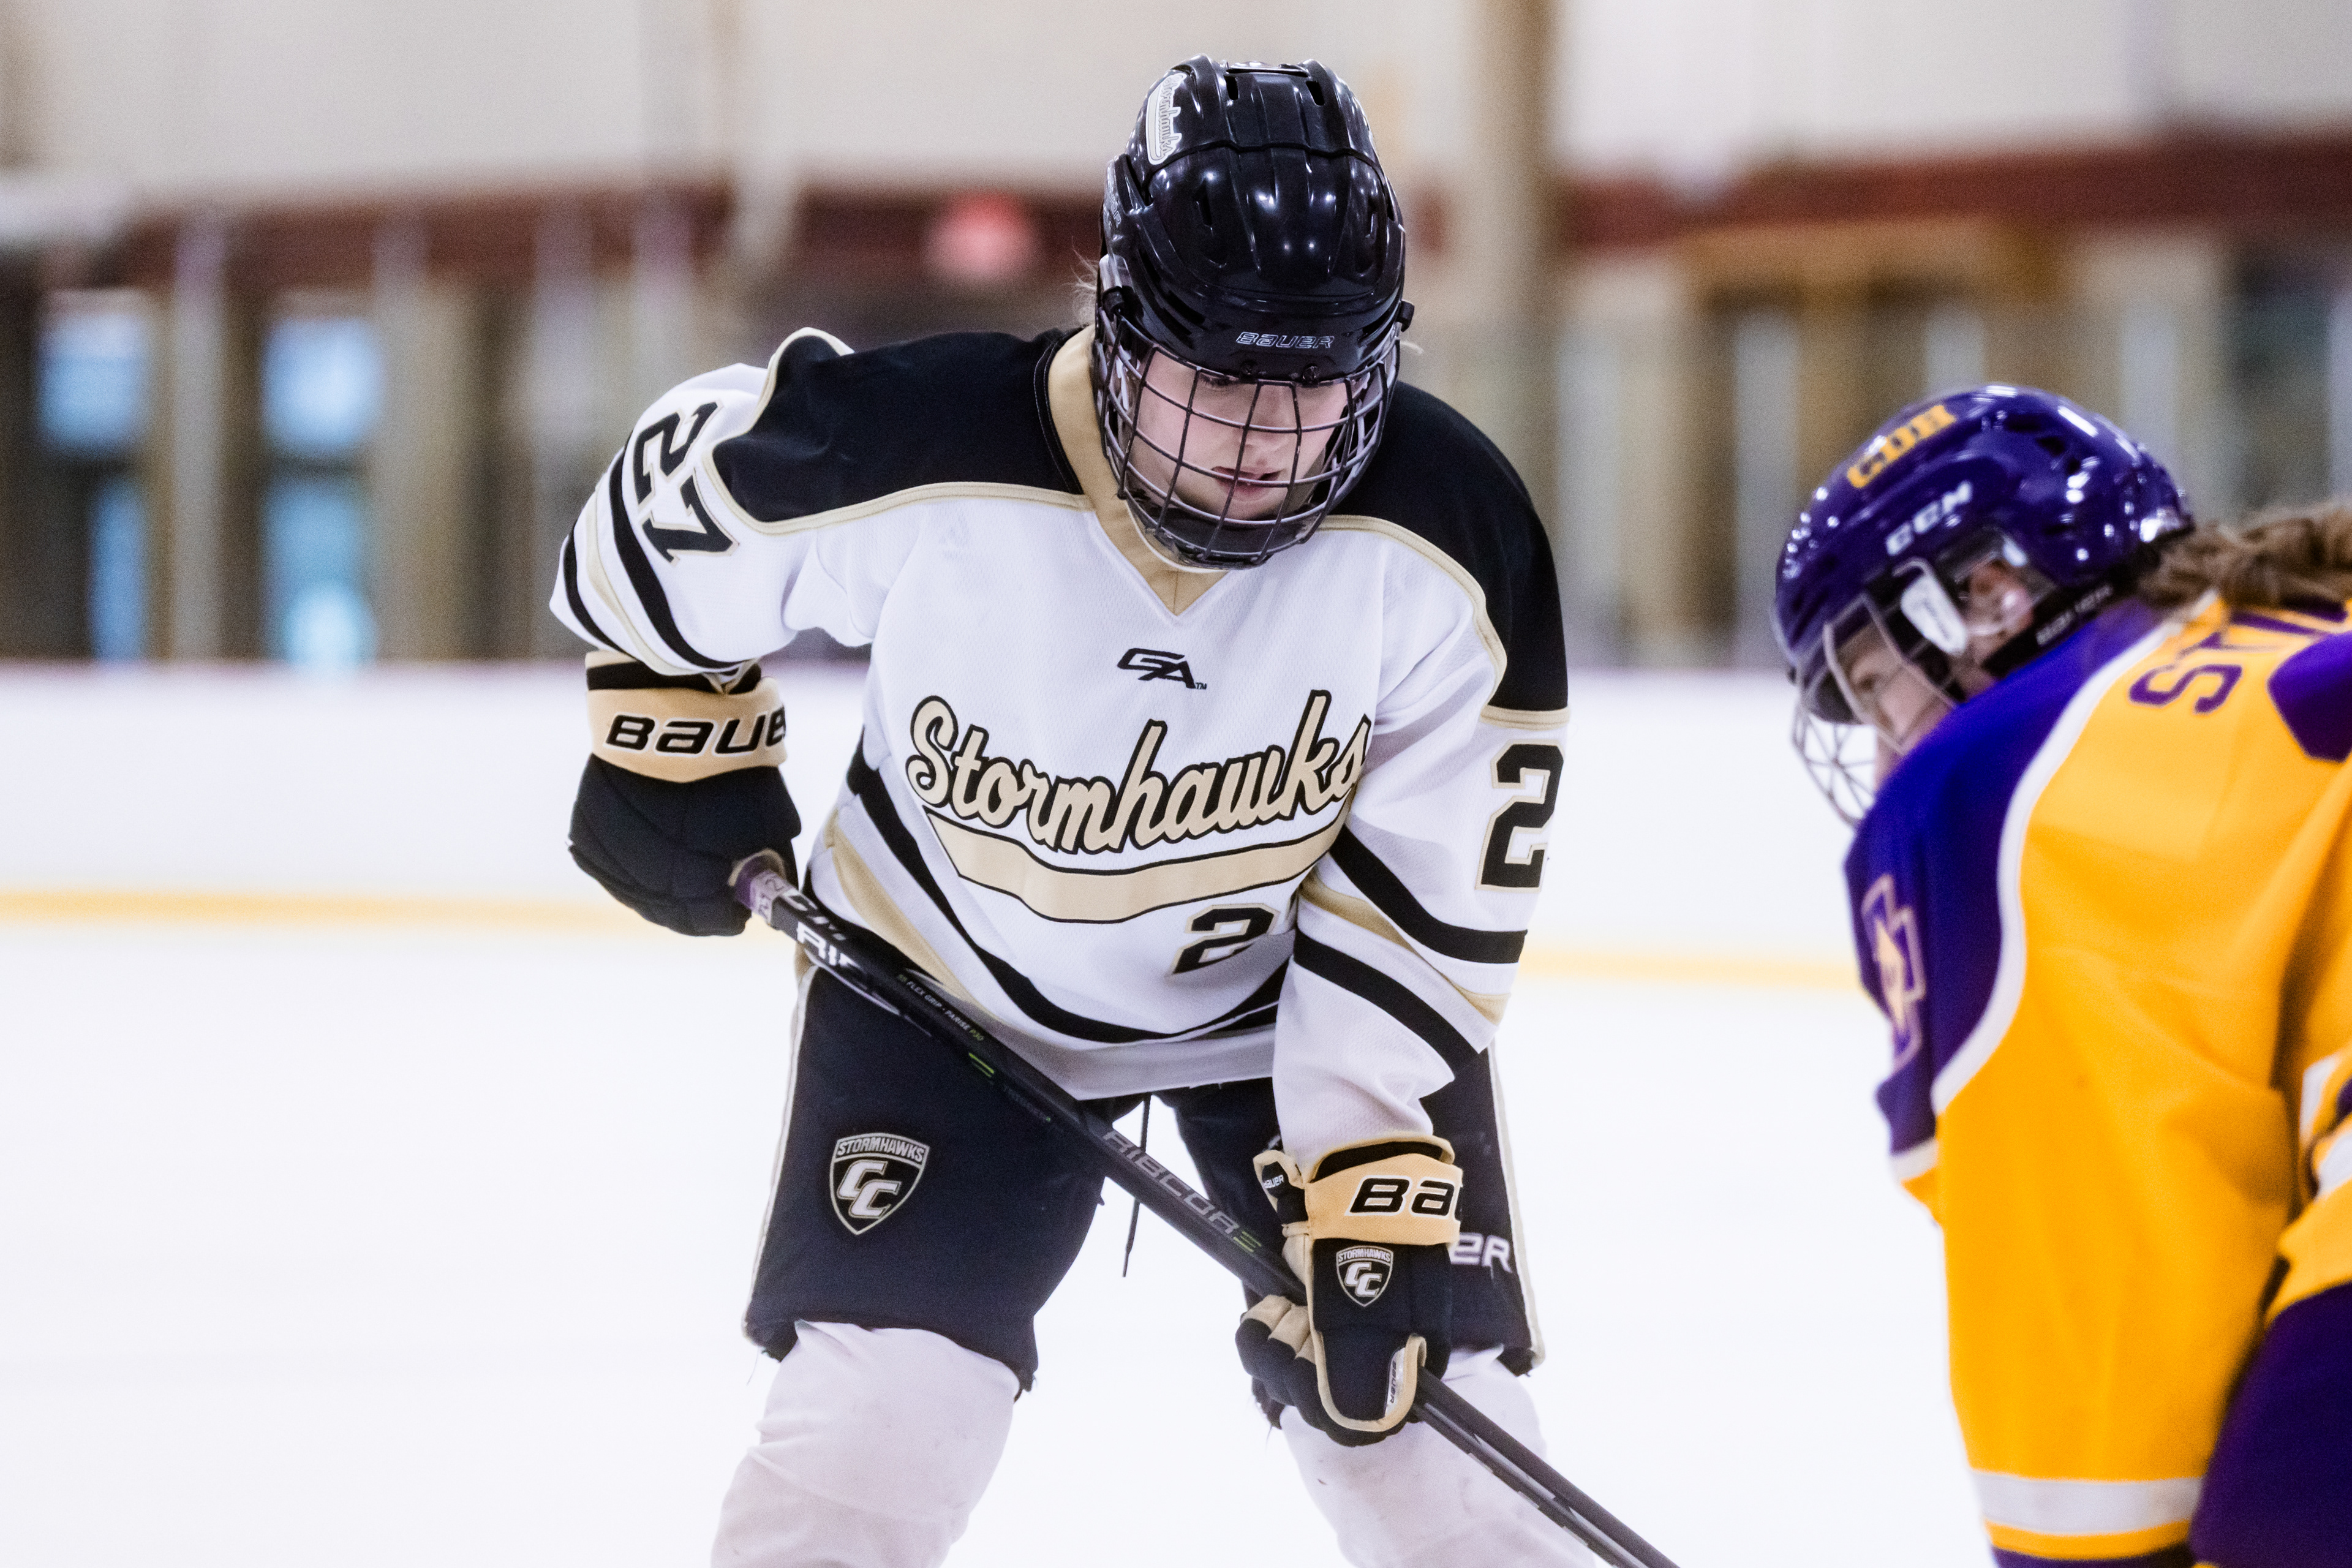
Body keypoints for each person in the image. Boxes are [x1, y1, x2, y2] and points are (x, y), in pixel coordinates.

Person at [551, 55, 1582, 1568]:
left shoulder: (1449, 532)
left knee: (1435, 1454)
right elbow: (660, 519)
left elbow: (1437, 880)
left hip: (1281, 1013)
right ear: (1121, 323)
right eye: (1217, 379)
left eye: (1312, 385)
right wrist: (664, 712)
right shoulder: (924, 444)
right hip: (948, 987)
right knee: (876, 1430)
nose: (1260, 442)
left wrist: (1365, 1162)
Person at [1773, 384, 2352, 1568]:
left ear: (1989, 595)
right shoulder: (2297, 630)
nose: (1884, 757)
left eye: (1878, 688)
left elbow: (2101, 1322)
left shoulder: (1993, 782)